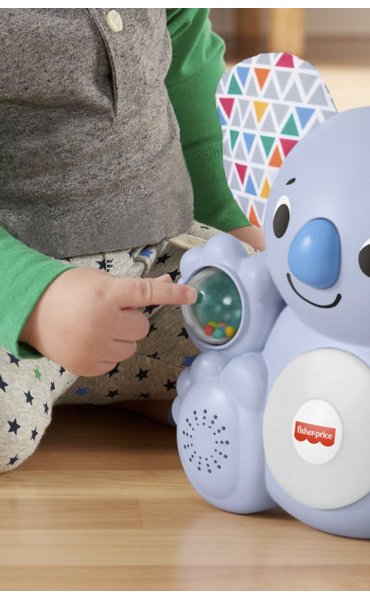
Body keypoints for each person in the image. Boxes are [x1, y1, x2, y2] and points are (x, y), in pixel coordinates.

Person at [0, 8, 263, 472]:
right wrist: (32, 296)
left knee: (296, 348)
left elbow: (184, 57)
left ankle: (115, 384)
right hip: (14, 296)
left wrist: (236, 223)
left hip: (164, 257)